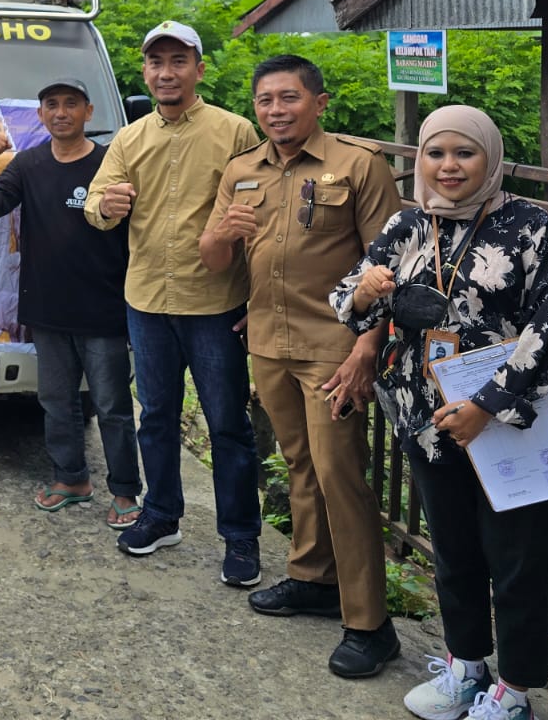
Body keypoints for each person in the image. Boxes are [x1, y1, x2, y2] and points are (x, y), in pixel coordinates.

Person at [333, 105, 548, 720]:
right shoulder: (406, 227)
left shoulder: (531, 226)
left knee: (517, 558)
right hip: (429, 421)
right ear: (419, 160)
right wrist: (365, 294)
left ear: (491, 159)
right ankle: (465, 666)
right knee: (452, 549)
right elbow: (347, 299)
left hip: (510, 421)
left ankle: (516, 690)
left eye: (464, 154)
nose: (449, 167)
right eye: (435, 154)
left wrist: (487, 404)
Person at [199, 55, 404, 678]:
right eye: (264, 101)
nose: (276, 110)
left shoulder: (357, 164)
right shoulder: (242, 170)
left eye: (289, 98)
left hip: (334, 345)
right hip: (268, 340)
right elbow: (210, 259)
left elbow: (394, 265)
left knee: (340, 471)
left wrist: (369, 348)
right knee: (299, 465)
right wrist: (226, 234)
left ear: (319, 102)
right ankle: (313, 577)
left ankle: (371, 622)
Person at [84, 20, 264, 583]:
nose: (167, 72)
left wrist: (258, 298)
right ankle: (162, 514)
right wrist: (107, 204)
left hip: (215, 302)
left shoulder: (235, 132)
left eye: (178, 61)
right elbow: (95, 204)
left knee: (227, 424)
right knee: (156, 416)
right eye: (156, 62)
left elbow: (260, 211)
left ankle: (241, 539)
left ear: (199, 70)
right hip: (146, 301)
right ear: (145, 72)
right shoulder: (130, 138)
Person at [0, 77, 142, 527]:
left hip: (103, 307)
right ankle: (70, 479)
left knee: (111, 405)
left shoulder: (112, 164)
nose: (61, 112)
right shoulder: (28, 164)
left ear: (88, 112)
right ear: (41, 113)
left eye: (71, 104)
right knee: (56, 400)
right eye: (52, 104)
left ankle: (125, 491)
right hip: (46, 306)